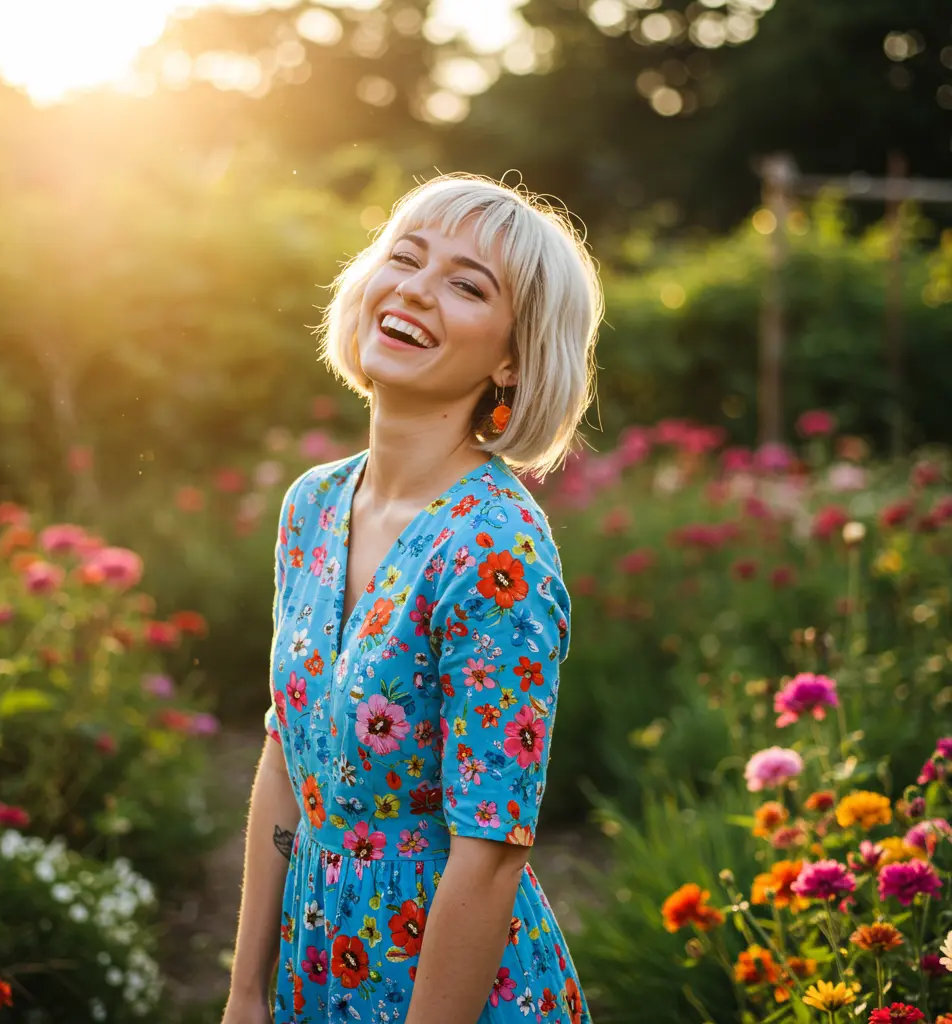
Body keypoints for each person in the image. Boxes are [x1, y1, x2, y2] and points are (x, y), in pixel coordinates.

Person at [222, 173, 602, 1024]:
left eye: (466, 285)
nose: (415, 290)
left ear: (513, 355)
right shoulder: (313, 506)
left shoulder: (494, 548)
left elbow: (491, 852)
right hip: (308, 968)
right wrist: (247, 995)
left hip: (443, 990)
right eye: (405, 257)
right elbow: (286, 757)